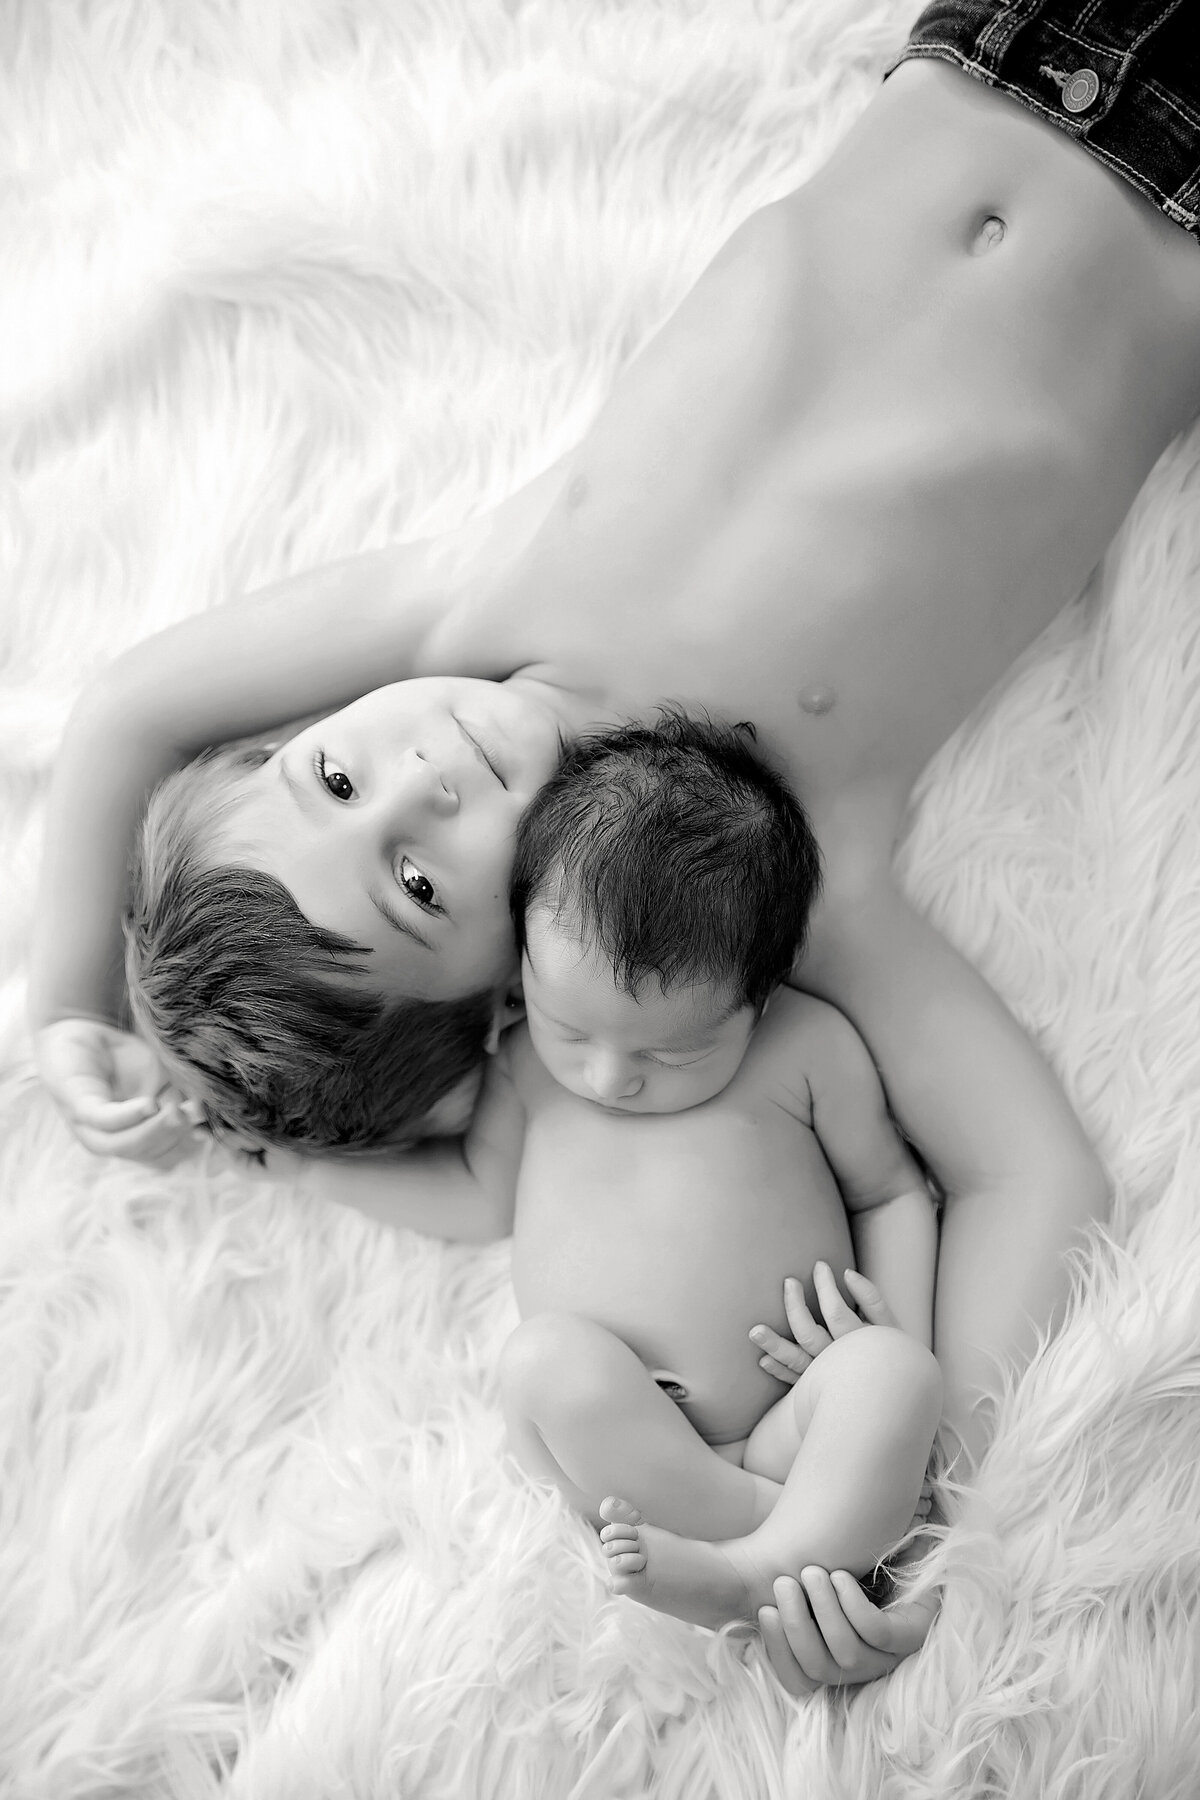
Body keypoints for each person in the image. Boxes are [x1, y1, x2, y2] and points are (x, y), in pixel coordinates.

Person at [30, 3, 1200, 1685]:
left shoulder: (468, 592)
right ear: (515, 986)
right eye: (423, 884)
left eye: (326, 778)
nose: (415, 779)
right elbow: (1034, 1175)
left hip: (1014, 48)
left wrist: (61, 997)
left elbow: (133, 703)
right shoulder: (781, 867)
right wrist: (897, 1504)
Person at [267, 711, 943, 1631]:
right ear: (525, 971)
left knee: (897, 1374)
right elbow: (475, 1197)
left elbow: (892, 1190)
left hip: (794, 1419)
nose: (609, 1075)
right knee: (543, 1362)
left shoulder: (808, 1048)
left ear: (758, 996)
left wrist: (884, 1319)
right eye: (570, 1027)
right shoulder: (523, 1070)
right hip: (620, 1446)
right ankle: (789, 1553)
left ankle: (758, 1568)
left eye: (676, 1052)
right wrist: (309, 1170)